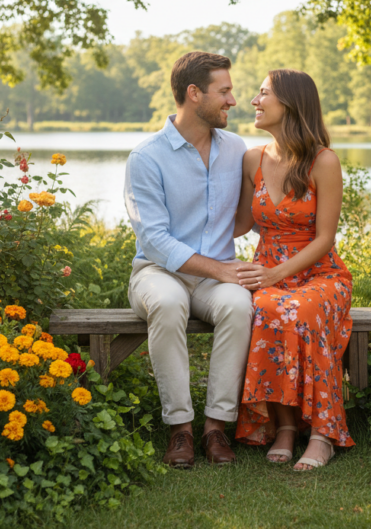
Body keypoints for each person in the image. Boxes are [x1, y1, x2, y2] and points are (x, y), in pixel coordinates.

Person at [124, 51, 255, 468]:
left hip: (214, 281)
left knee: (239, 304)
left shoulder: (237, 149)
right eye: (225, 91)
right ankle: (179, 428)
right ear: (194, 94)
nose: (233, 100)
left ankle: (217, 426)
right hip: (157, 272)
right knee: (167, 302)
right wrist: (221, 269)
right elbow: (156, 241)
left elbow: (241, 221)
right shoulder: (147, 157)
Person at [232, 69, 354, 470]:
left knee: (303, 311)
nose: (254, 100)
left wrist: (275, 275)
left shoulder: (324, 161)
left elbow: (325, 239)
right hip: (267, 269)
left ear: (290, 104)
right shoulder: (253, 159)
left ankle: (322, 432)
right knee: (265, 310)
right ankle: (284, 427)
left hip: (320, 273)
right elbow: (239, 225)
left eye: (264, 93)